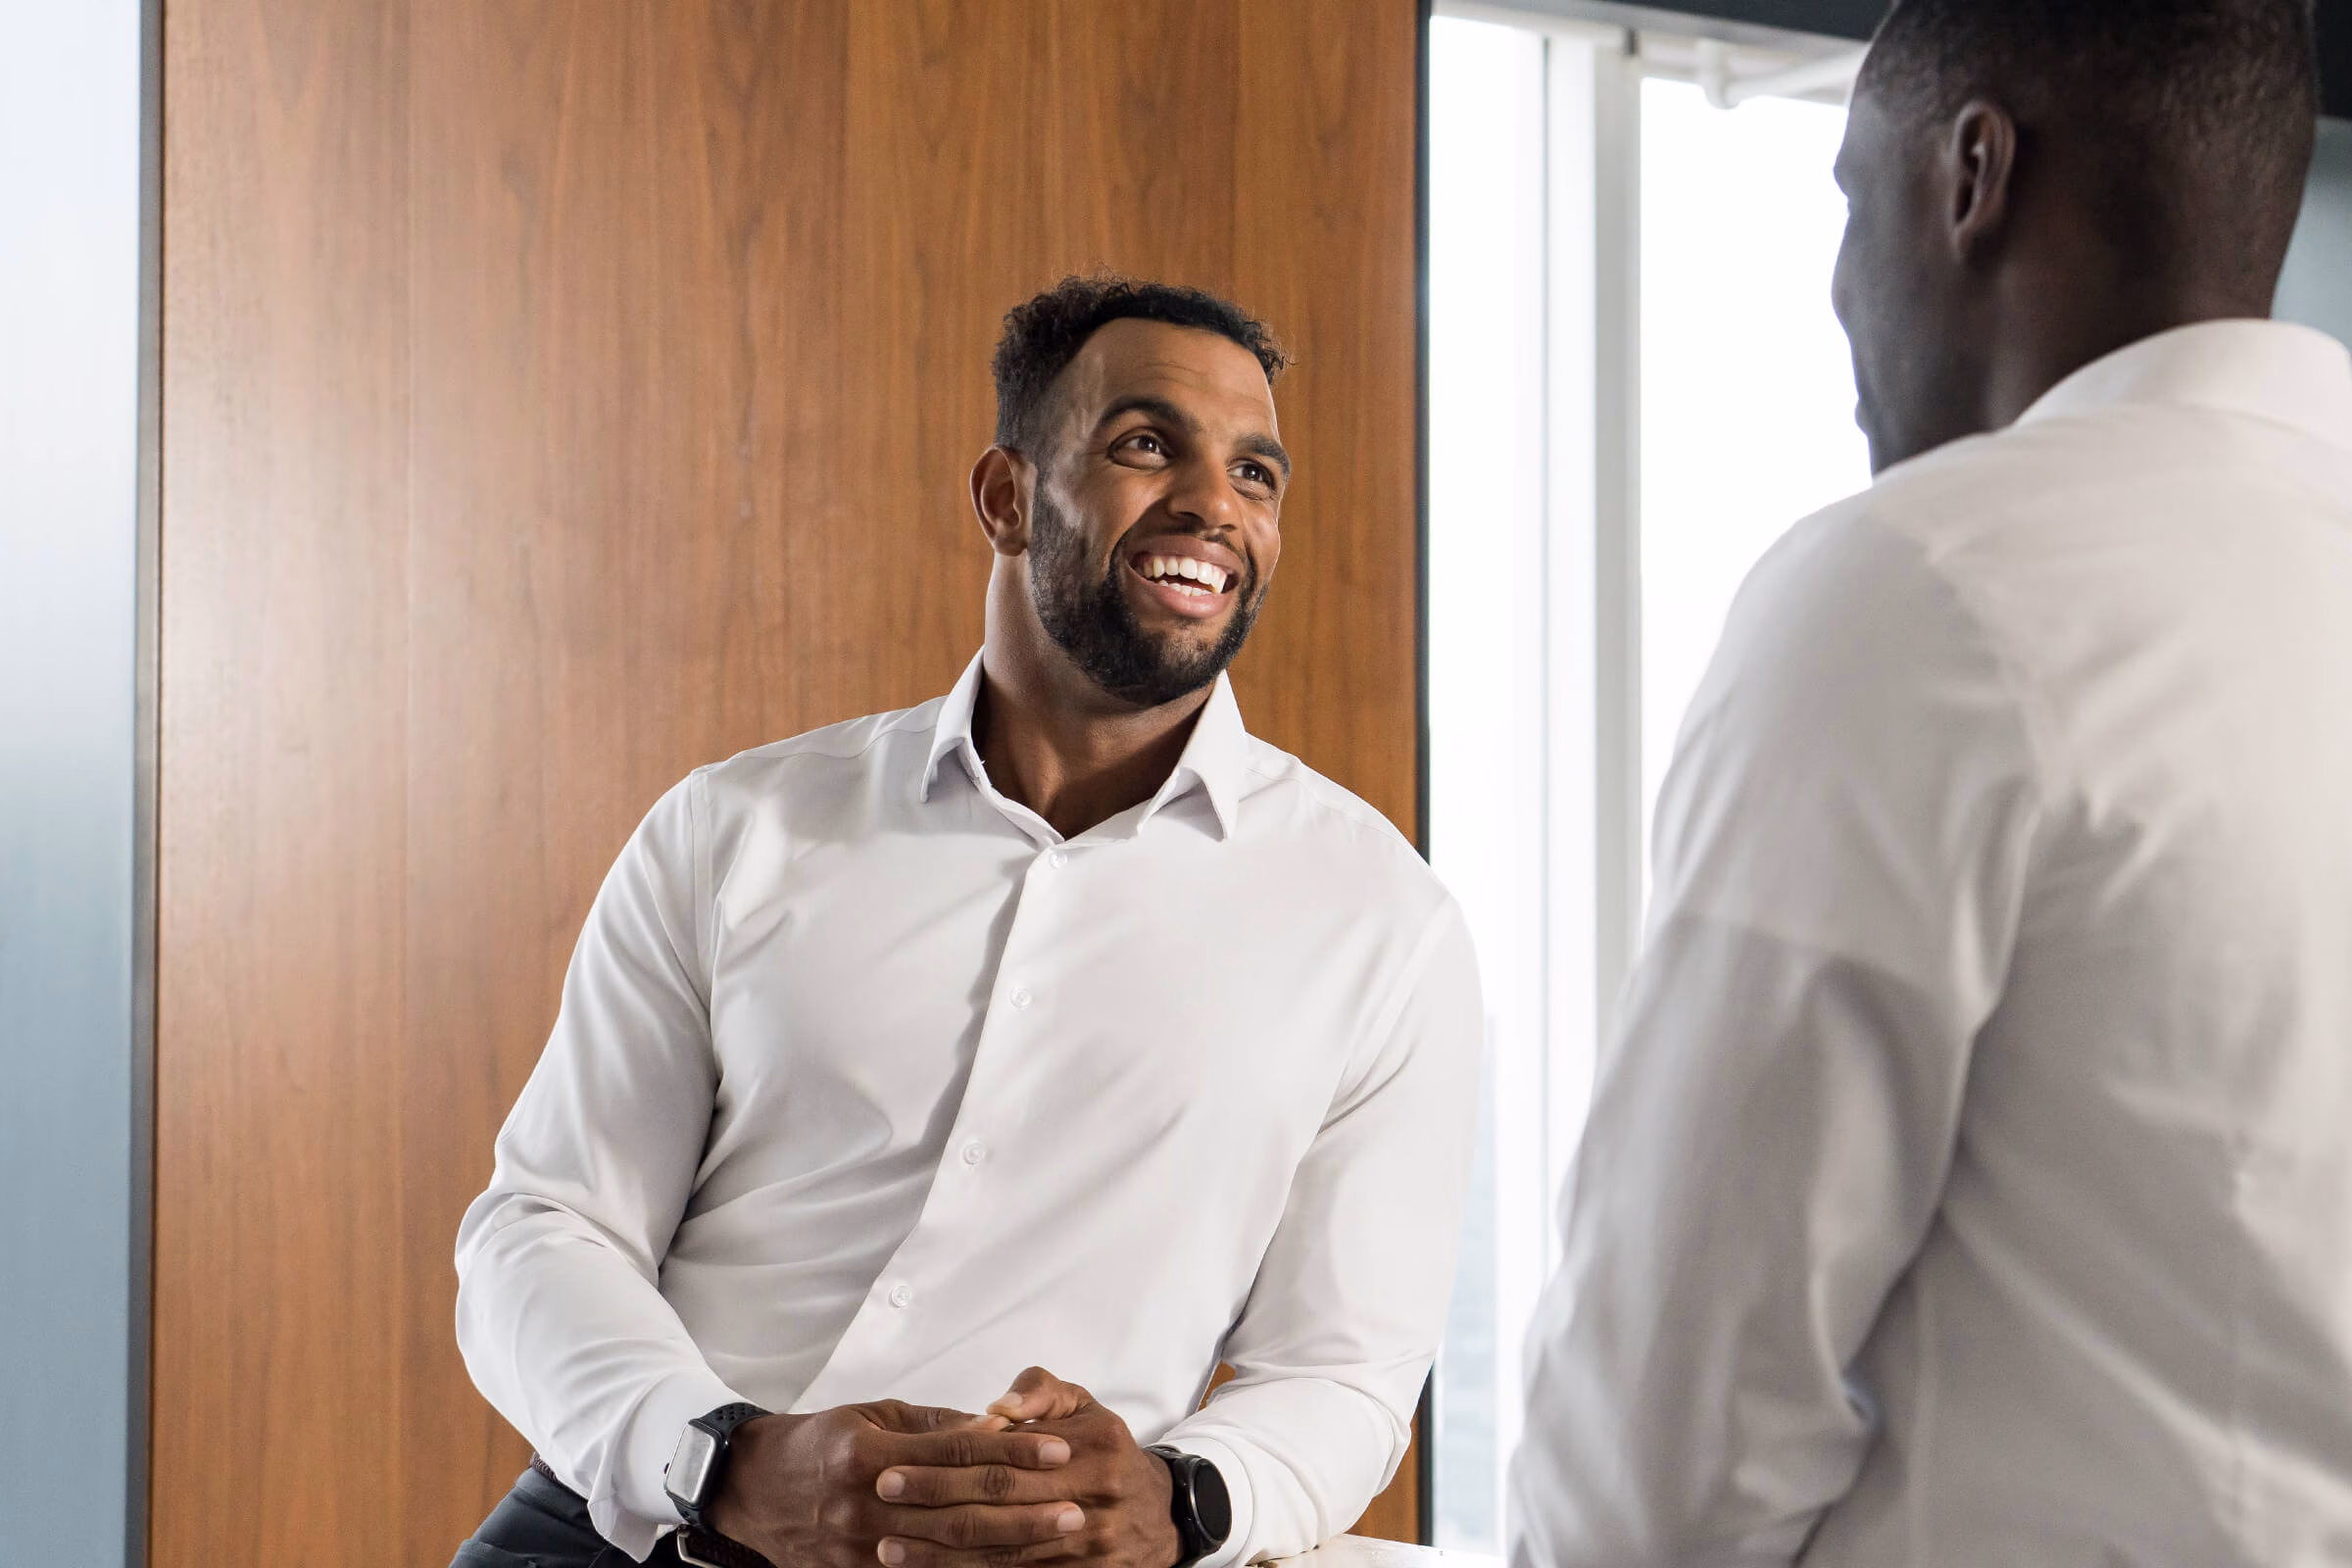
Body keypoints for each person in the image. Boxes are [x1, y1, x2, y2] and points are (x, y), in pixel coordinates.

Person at [447, 275, 1482, 1568]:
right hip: (649, 1524)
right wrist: (725, 1460)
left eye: (1256, 474)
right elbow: (544, 1228)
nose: (1216, 504)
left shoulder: (1381, 923)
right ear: (1005, 496)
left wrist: (1183, 1501)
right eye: (1148, 444)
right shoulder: (734, 831)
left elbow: (1344, 1372)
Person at [1510, 2, 2352, 1563]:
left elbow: (1660, 1447)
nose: (1838, 290)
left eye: (1846, 202)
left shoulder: (1923, 588)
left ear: (1975, 176)